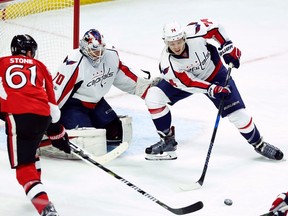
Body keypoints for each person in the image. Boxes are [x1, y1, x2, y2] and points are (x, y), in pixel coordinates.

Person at [144, 19, 284, 161]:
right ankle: (168, 141)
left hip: (216, 74)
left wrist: (227, 47)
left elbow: (216, 29)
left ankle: (259, 144)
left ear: (184, 37)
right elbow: (189, 82)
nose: (176, 46)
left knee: (238, 114)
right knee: (153, 97)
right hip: (187, 82)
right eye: (172, 43)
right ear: (165, 42)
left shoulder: (195, 32)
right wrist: (212, 89)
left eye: (179, 41)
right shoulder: (167, 65)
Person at [0, 34, 71, 216]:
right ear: (31, 52)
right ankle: (36, 188)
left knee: (24, 170)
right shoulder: (40, 66)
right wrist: (57, 133)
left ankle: (45, 207)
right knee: (31, 149)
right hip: (42, 115)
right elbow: (54, 110)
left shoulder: (2, 62)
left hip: (16, 115)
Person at [51, 28, 157, 149]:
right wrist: (48, 123)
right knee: (89, 140)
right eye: (94, 50)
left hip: (96, 103)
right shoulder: (73, 63)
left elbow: (121, 75)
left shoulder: (110, 54)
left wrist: (147, 89)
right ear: (85, 47)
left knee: (116, 133)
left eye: (101, 49)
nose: (99, 54)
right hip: (72, 106)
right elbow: (56, 93)